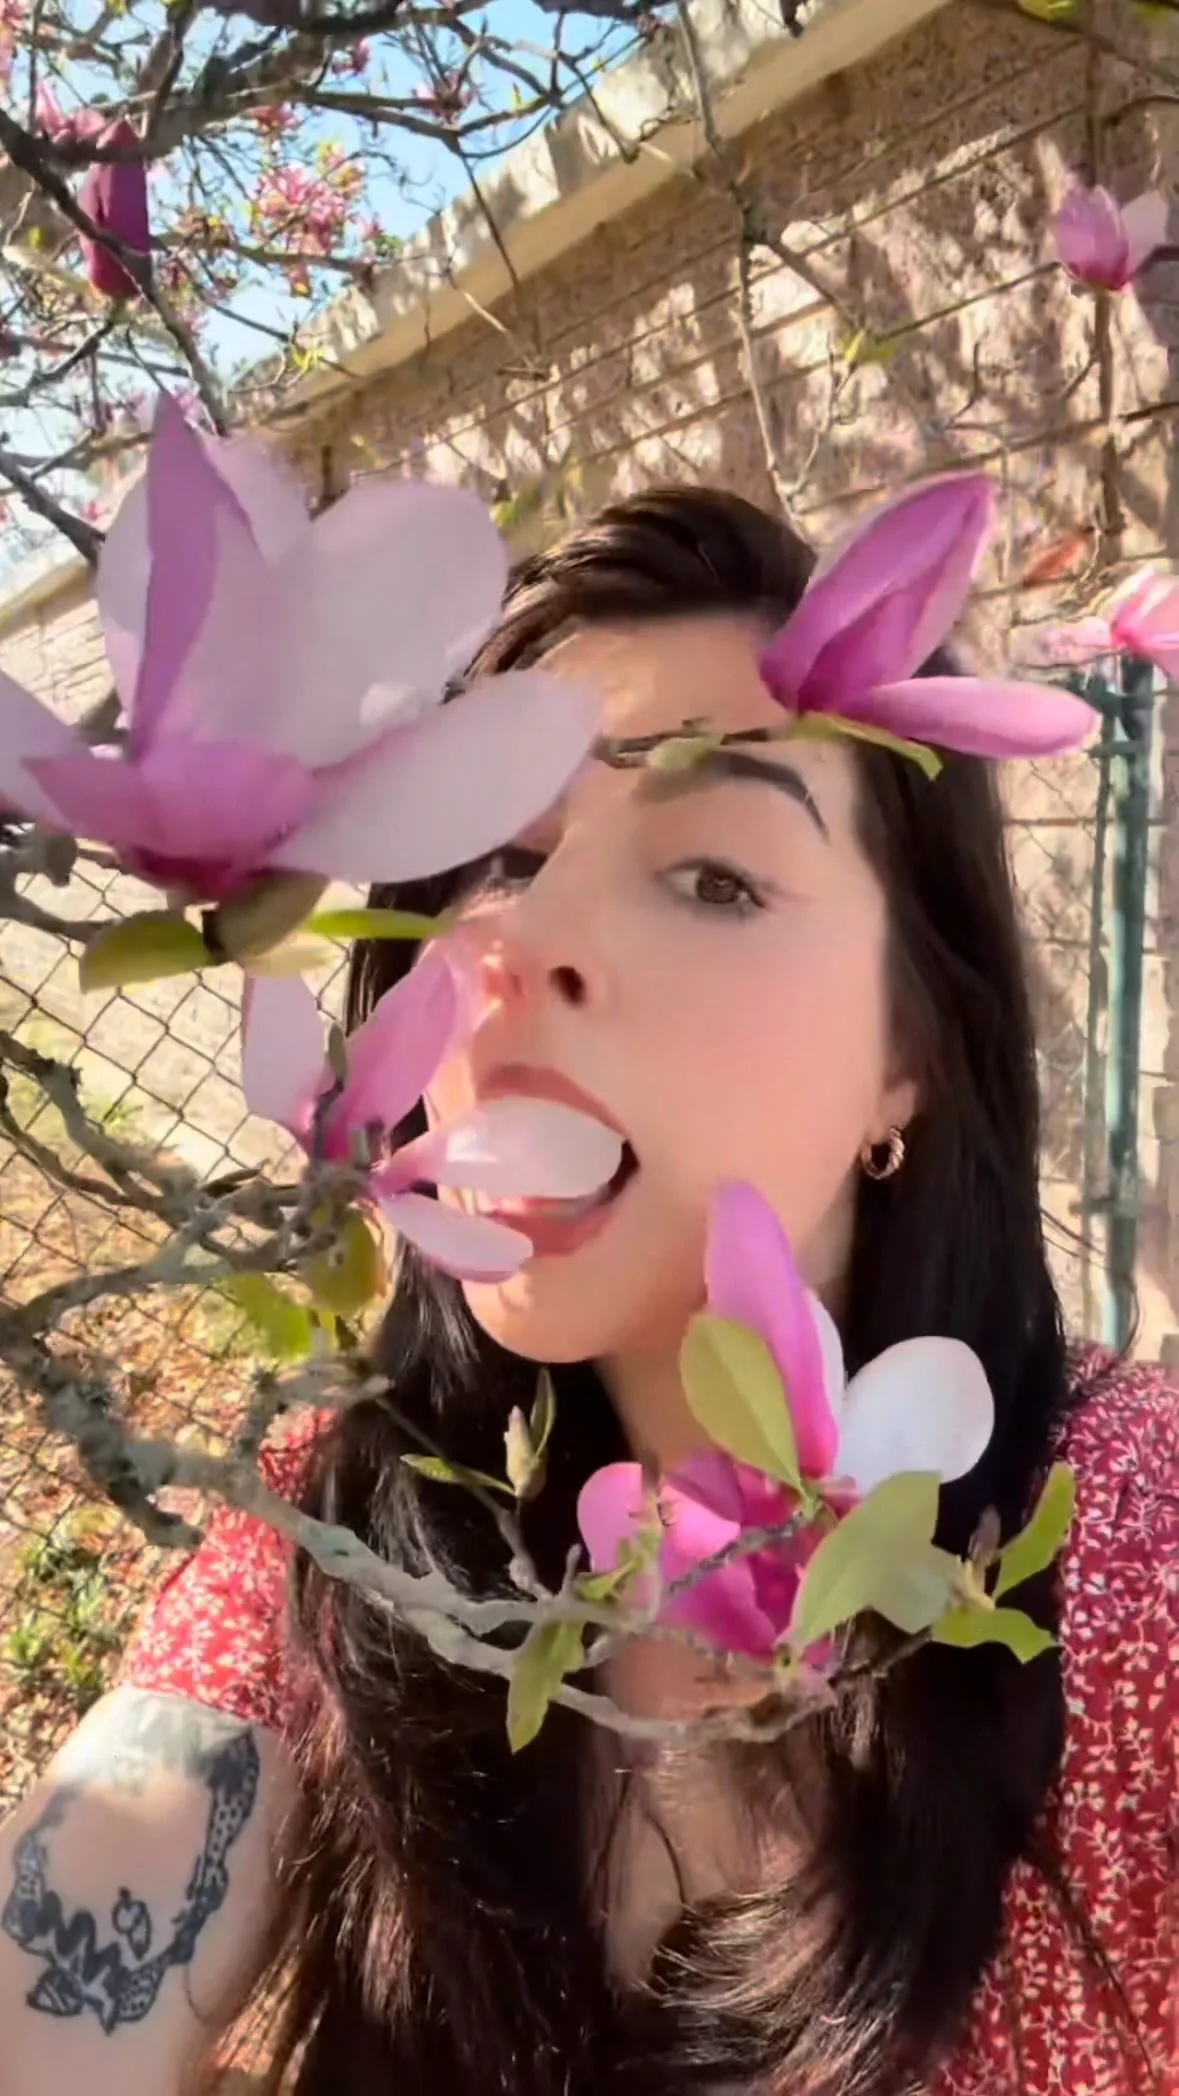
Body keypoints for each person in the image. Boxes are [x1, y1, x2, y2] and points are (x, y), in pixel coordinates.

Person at [0, 484, 1175, 2096]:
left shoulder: (1126, 1556)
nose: (520, 939)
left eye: (714, 878)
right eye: (499, 856)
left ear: (909, 1052)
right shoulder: (339, 1537)